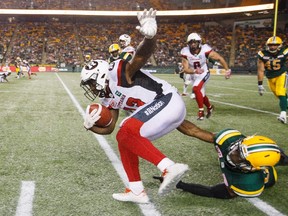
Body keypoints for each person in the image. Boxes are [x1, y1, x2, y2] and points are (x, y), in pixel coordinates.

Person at [80, 8, 192, 204]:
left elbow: (141, 56)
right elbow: (109, 128)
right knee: (124, 138)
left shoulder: (117, 72)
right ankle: (136, 190)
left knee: (127, 129)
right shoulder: (106, 97)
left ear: (99, 76)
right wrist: (91, 126)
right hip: (157, 112)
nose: (90, 88)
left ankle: (168, 167)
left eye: (90, 82)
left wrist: (150, 38)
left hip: (167, 100)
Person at [154, 128, 288, 199]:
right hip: (256, 159)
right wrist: (173, 119)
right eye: (238, 148)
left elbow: (212, 192)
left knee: (279, 158)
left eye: (239, 157)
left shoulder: (248, 183)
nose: (233, 153)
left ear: (249, 168)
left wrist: (179, 184)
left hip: (268, 177)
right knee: (273, 153)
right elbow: (193, 131)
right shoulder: (232, 140)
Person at [181, 33, 231, 120]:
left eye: (195, 42)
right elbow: (185, 69)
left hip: (204, 72)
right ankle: (210, 107)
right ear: (188, 44)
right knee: (200, 95)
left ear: (199, 42)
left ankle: (201, 112)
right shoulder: (185, 52)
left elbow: (219, 58)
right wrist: (194, 71)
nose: (193, 44)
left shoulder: (205, 49)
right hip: (193, 73)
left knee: (196, 89)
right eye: (191, 42)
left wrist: (227, 69)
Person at [257, 36, 288, 124]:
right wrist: (260, 84)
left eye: (275, 45)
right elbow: (260, 70)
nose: (272, 47)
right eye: (271, 45)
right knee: (280, 96)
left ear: (279, 45)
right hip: (270, 77)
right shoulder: (262, 54)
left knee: (281, 93)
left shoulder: (284, 52)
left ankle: (283, 114)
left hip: (282, 74)